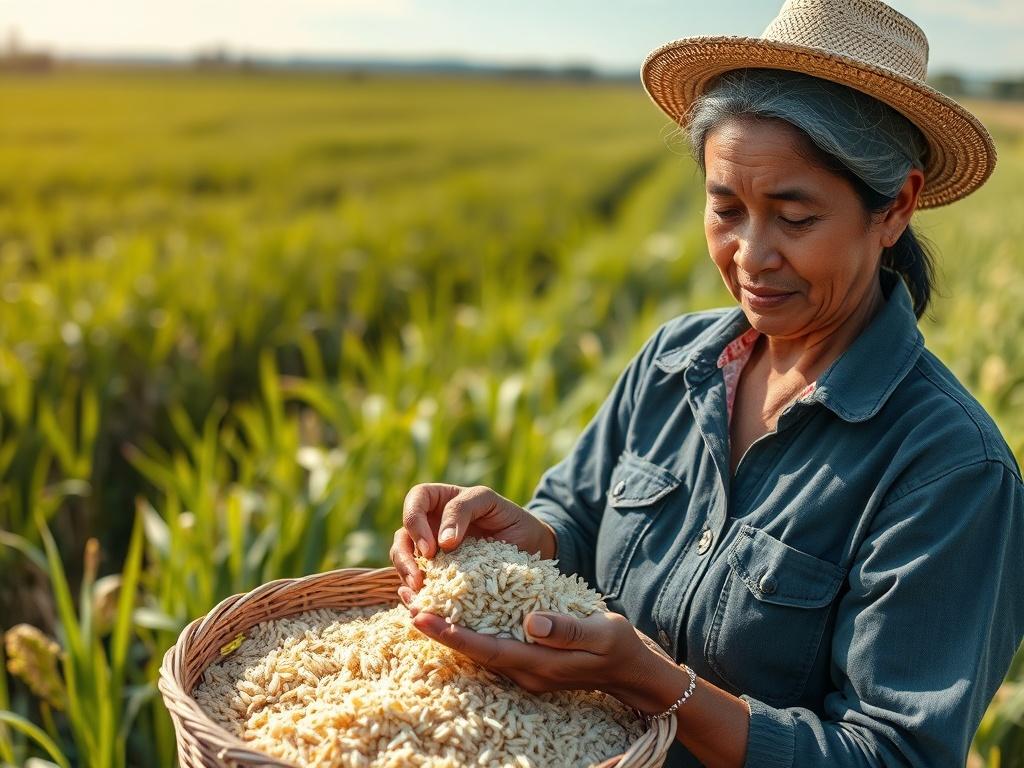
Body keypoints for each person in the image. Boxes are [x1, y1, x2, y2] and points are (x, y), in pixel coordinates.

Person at [389, 1, 1024, 765]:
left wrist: (660, 686)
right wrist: (528, 537)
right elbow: (579, 516)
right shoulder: (673, 361)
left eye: (794, 217)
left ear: (897, 206)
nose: (751, 255)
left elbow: (894, 754)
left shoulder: (948, 469)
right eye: (726, 209)